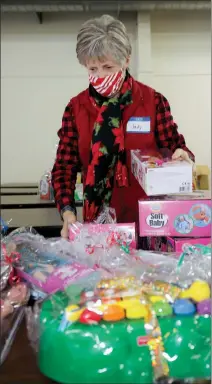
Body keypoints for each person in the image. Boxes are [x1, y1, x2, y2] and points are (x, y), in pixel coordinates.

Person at [51, 14, 195, 238]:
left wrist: (182, 156)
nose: (100, 77)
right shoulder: (76, 109)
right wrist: (68, 213)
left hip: (150, 224)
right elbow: (64, 168)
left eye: (108, 67)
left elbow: (176, 148)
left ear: (126, 60)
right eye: (92, 69)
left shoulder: (152, 102)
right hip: (98, 229)